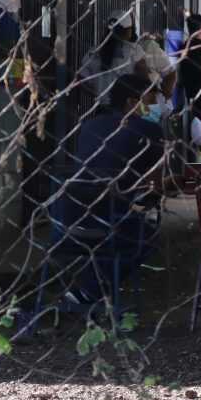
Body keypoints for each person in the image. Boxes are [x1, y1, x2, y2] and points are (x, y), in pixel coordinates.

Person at [67, 74, 168, 303]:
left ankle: (89, 291)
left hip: (66, 220)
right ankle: (91, 291)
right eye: (150, 100)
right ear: (132, 102)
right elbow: (154, 187)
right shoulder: (150, 131)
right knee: (147, 238)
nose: (155, 107)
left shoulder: (91, 124)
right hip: (110, 221)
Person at [77, 9, 149, 108]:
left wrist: (97, 93)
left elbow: (80, 80)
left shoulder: (92, 52)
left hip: (102, 107)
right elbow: (144, 80)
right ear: (128, 30)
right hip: (126, 107)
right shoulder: (134, 50)